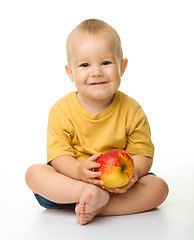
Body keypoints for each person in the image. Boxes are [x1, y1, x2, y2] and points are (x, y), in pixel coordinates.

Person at [25, 19, 169, 225]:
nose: (96, 72)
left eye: (106, 63)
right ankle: (86, 194)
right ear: (70, 72)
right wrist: (78, 172)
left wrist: (133, 175)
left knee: (158, 188)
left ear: (122, 66)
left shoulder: (132, 110)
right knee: (34, 173)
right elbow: (59, 156)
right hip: (72, 182)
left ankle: (98, 206)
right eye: (85, 65)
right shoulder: (61, 110)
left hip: (120, 186)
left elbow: (142, 154)